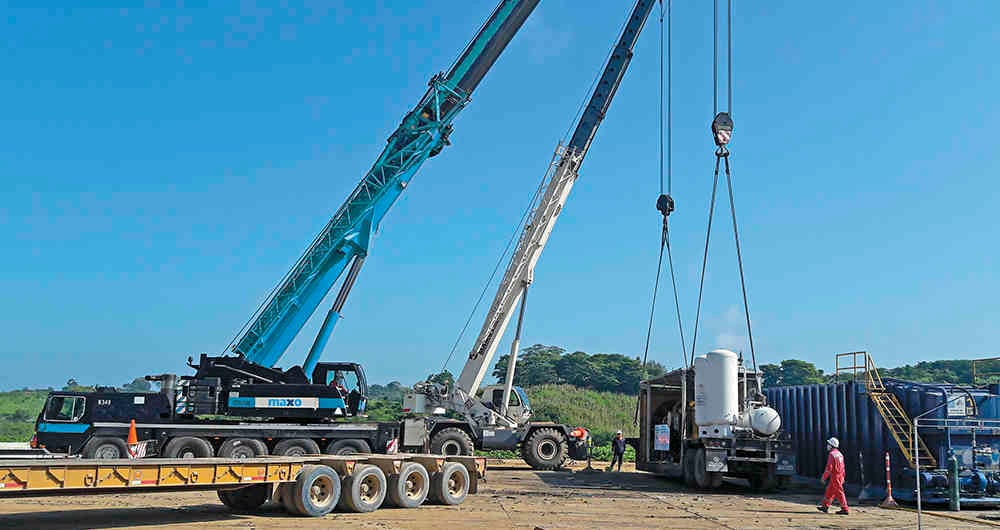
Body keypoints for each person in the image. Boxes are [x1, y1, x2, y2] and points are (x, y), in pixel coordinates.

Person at [817, 436, 849, 515]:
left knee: (839, 492)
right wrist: (843, 477)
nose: (827, 445)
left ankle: (845, 509)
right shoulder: (840, 454)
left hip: (835, 477)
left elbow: (829, 468)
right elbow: (843, 467)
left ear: (831, 445)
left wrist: (823, 478)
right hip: (840, 476)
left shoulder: (832, 454)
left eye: (828, 444)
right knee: (829, 491)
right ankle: (825, 506)